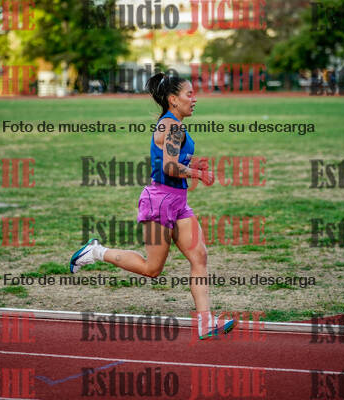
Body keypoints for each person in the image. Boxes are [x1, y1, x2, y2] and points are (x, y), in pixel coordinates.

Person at [70, 72, 236, 340]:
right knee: (152, 269)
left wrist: (193, 165)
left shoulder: (175, 125)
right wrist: (198, 174)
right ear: (173, 99)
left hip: (178, 202)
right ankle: (95, 251)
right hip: (160, 201)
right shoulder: (172, 127)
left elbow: (169, 161)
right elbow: (169, 167)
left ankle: (205, 322)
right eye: (189, 94)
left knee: (199, 256)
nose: (194, 99)